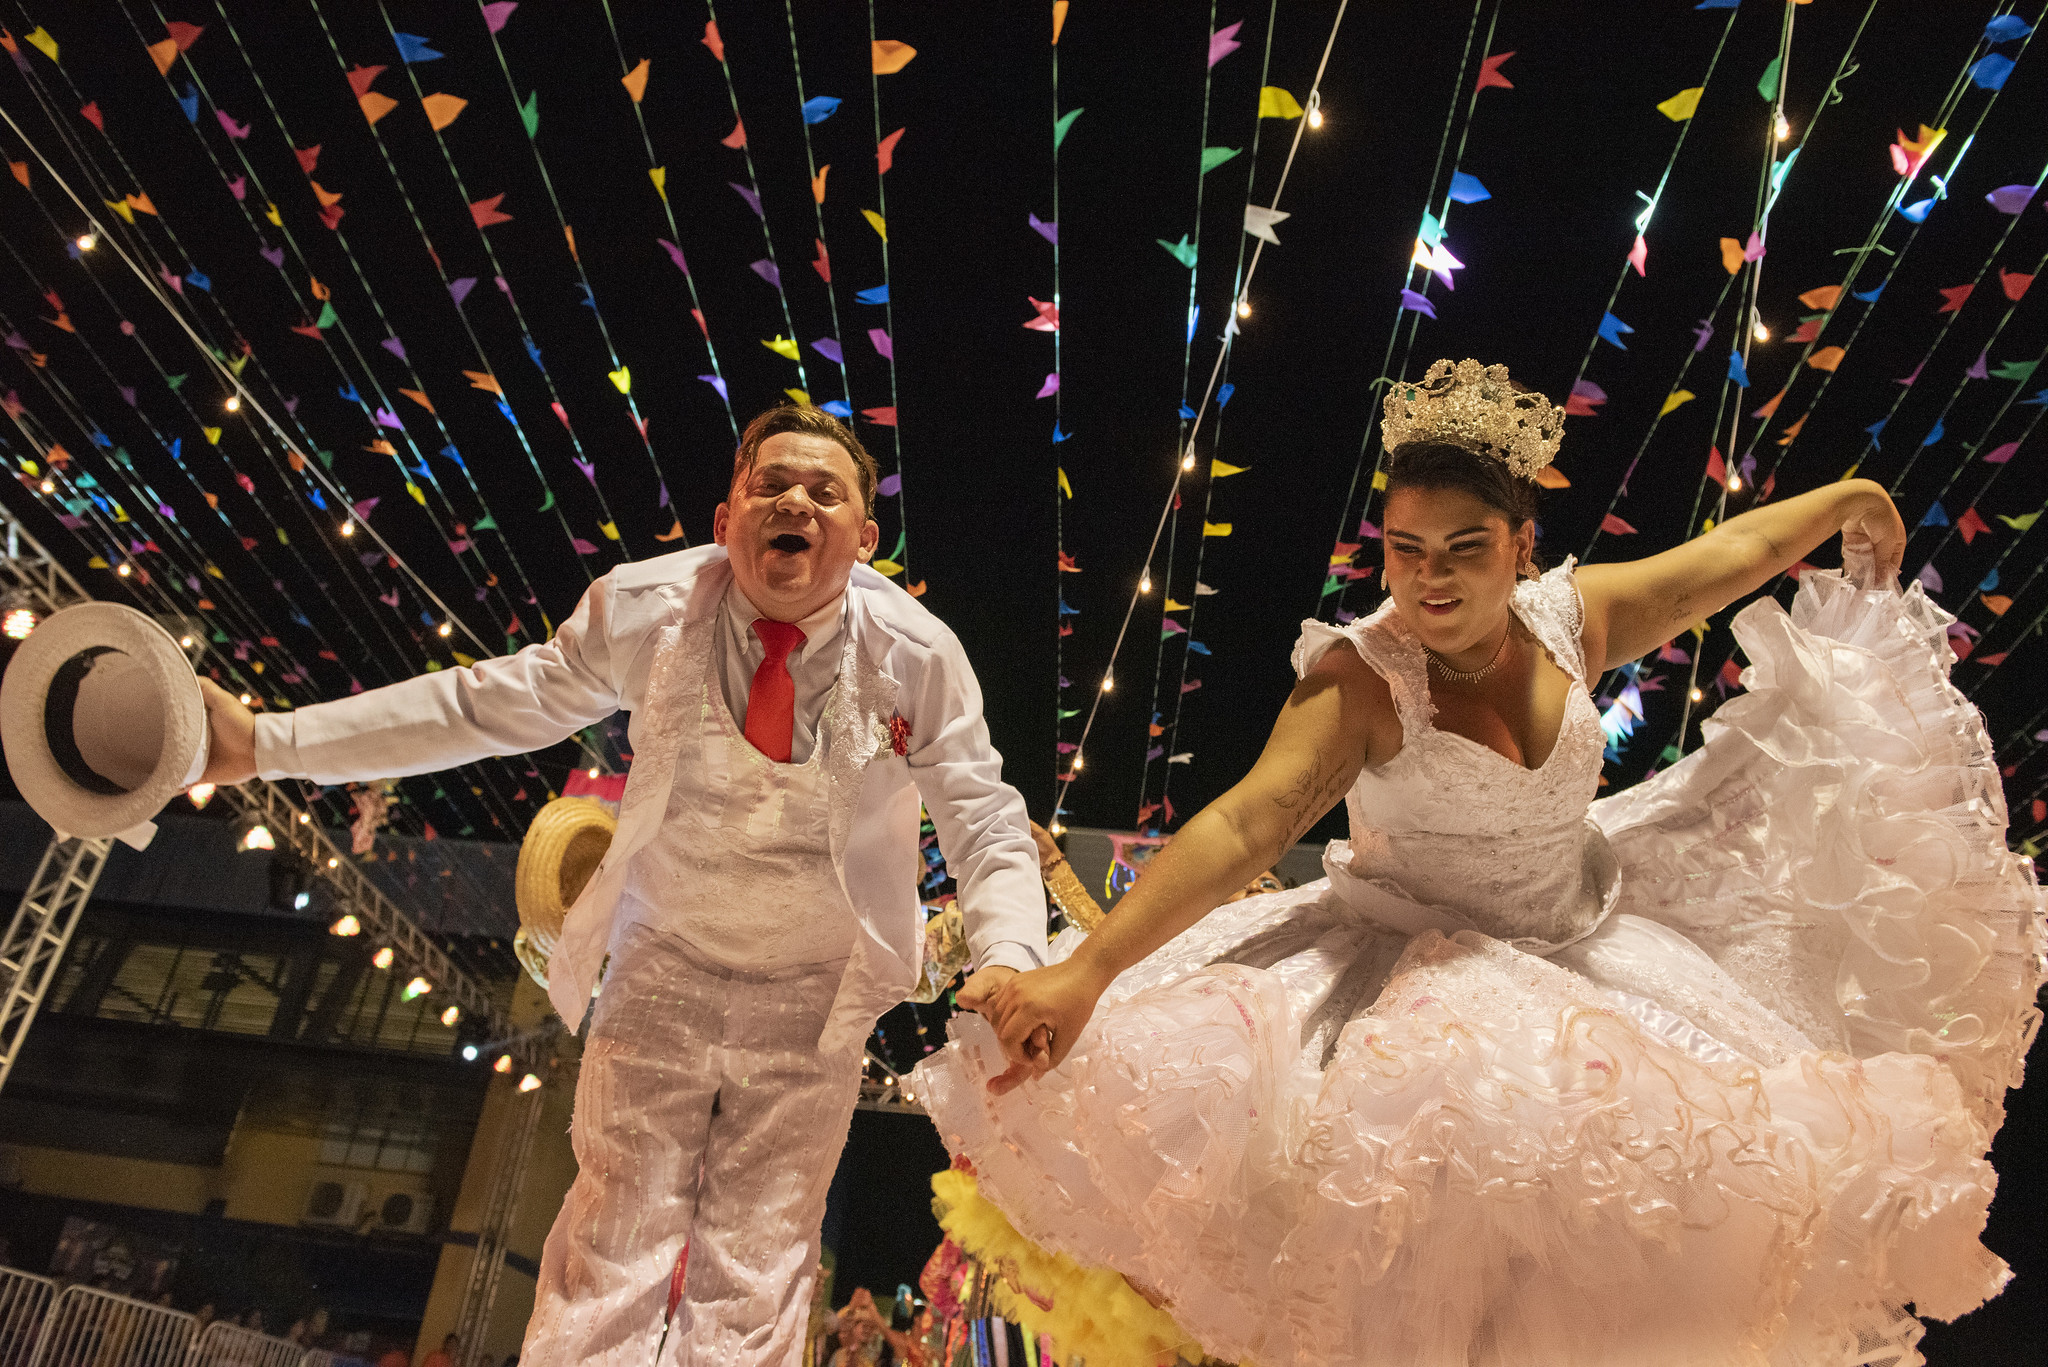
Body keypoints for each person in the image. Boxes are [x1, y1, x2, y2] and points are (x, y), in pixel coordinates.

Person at [914, 359, 2046, 1366]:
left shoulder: (1569, 618)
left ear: (1519, 545)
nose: (1430, 579)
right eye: (1405, 552)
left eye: (1463, 549)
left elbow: (1726, 558)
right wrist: (1088, 971)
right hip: (1416, 993)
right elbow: (1242, 826)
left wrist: (1845, 497)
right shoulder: (1361, 680)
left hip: (1591, 947)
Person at [197, 405, 1049, 1366]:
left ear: (864, 535)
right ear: (726, 518)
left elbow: (983, 816)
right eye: (771, 484)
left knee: (758, 1265)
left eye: (825, 491)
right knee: (612, 1244)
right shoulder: (645, 606)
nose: (795, 502)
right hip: (665, 963)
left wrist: (1014, 958)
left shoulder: (919, 654)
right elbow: (484, 703)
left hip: (818, 986)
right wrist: (268, 742)